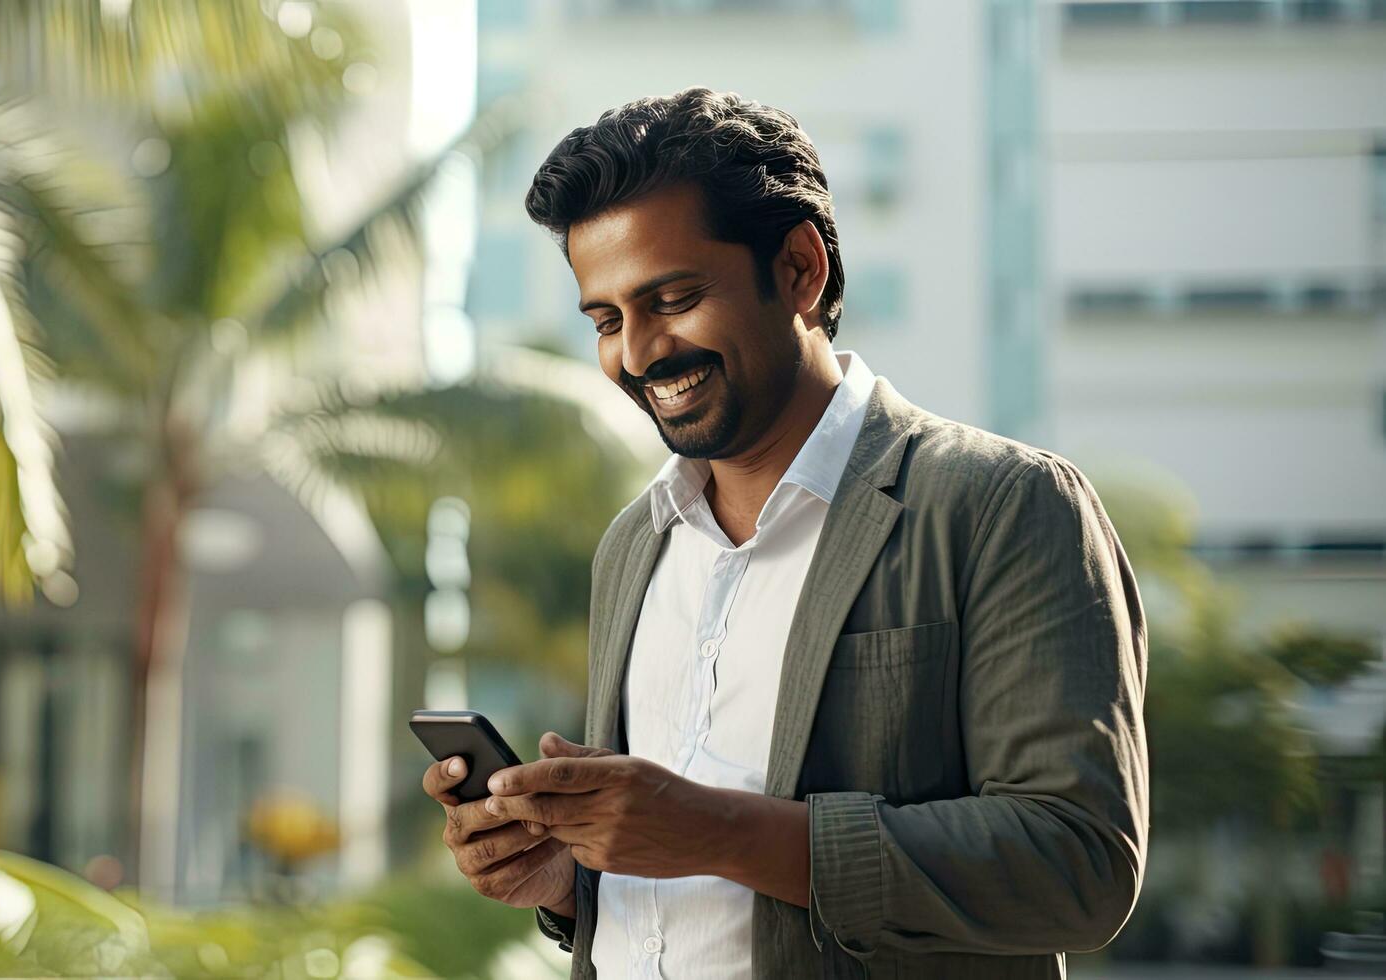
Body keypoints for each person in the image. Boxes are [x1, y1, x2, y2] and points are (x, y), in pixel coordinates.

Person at [421, 87, 1148, 978]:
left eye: (673, 298)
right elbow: (685, 904)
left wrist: (718, 829)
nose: (640, 353)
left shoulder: (1001, 505)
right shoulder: (634, 543)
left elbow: (1077, 865)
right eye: (607, 321)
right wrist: (567, 879)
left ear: (800, 269)